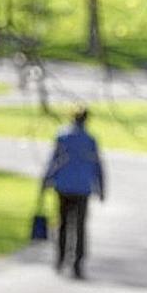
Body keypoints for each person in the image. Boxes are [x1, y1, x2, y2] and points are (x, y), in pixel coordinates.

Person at [42, 106, 105, 279]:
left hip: (64, 186)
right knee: (80, 227)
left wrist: (46, 180)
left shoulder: (63, 137)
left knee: (63, 224)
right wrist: (101, 188)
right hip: (83, 188)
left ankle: (60, 259)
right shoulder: (90, 140)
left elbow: (54, 160)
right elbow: (98, 166)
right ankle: (77, 264)